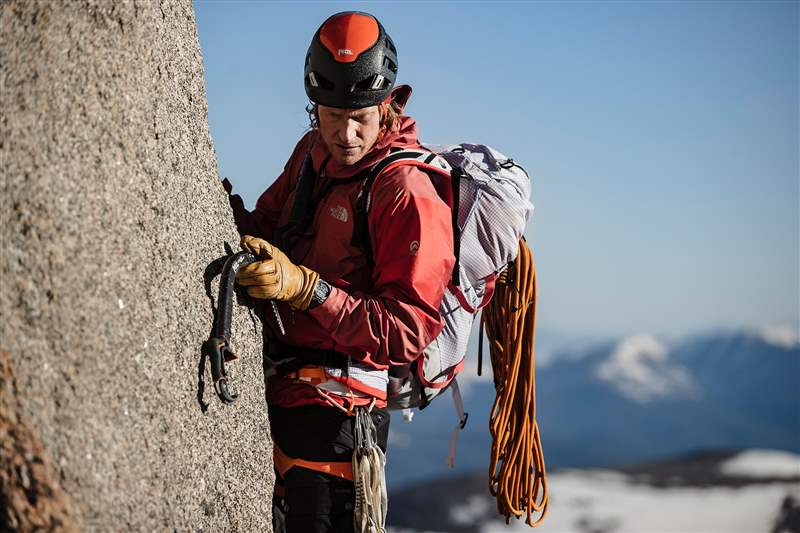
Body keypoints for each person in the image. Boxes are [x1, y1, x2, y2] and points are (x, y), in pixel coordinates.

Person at [225, 11, 455, 533]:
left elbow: (409, 328)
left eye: (360, 118)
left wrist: (308, 290)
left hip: (342, 421)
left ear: (387, 105)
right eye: (330, 116)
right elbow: (264, 226)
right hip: (280, 392)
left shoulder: (405, 192)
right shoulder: (311, 154)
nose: (345, 134)